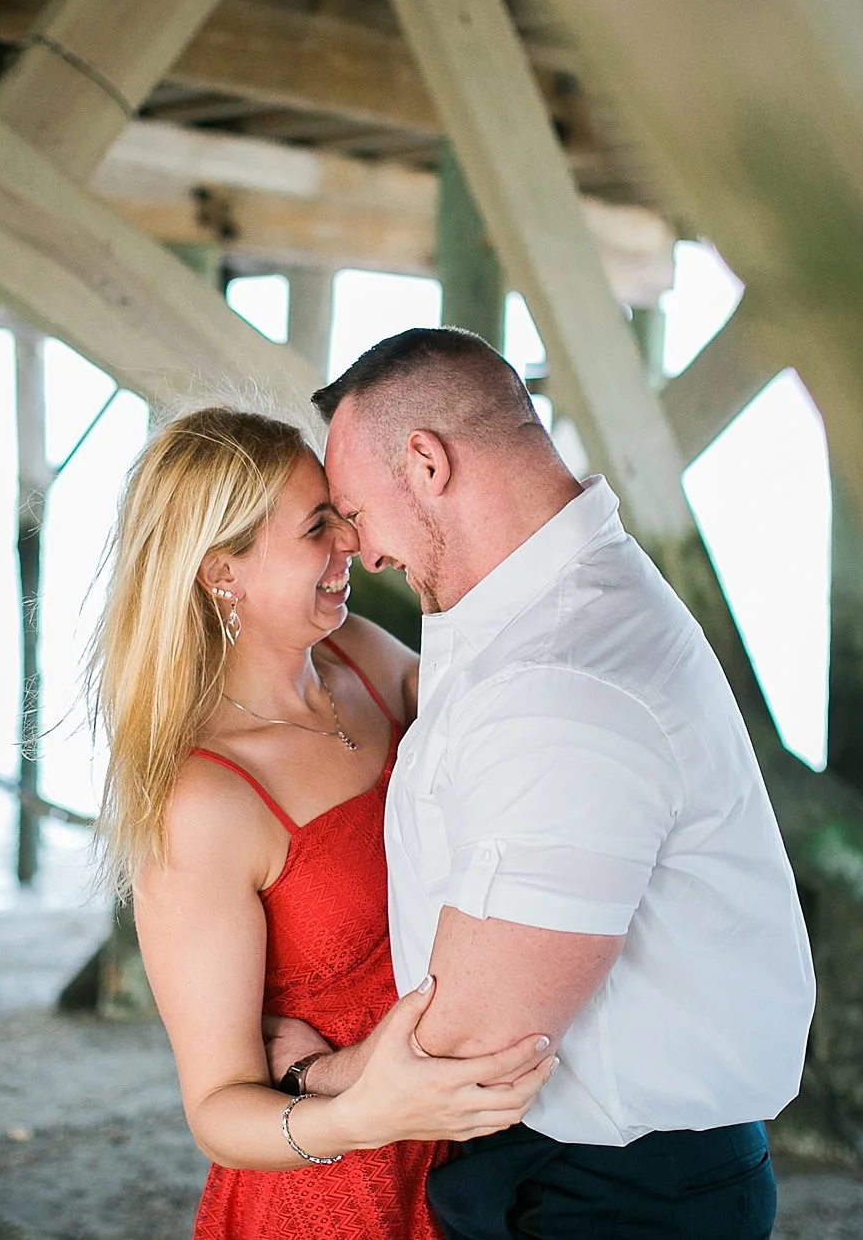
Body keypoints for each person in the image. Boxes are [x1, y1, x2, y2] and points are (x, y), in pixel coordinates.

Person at [289, 328, 817, 1239]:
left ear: (425, 462)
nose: (361, 551)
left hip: (611, 1196)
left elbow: (478, 1042)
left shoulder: (562, 676)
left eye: (353, 511)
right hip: (579, 1173)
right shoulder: (529, 611)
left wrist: (310, 1079)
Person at [93, 407, 558, 1240]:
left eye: (340, 512)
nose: (351, 540)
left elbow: (514, 748)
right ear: (220, 573)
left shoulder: (366, 661)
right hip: (337, 1193)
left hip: (483, 1158)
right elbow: (217, 1108)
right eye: (317, 527)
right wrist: (359, 1107)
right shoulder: (209, 800)